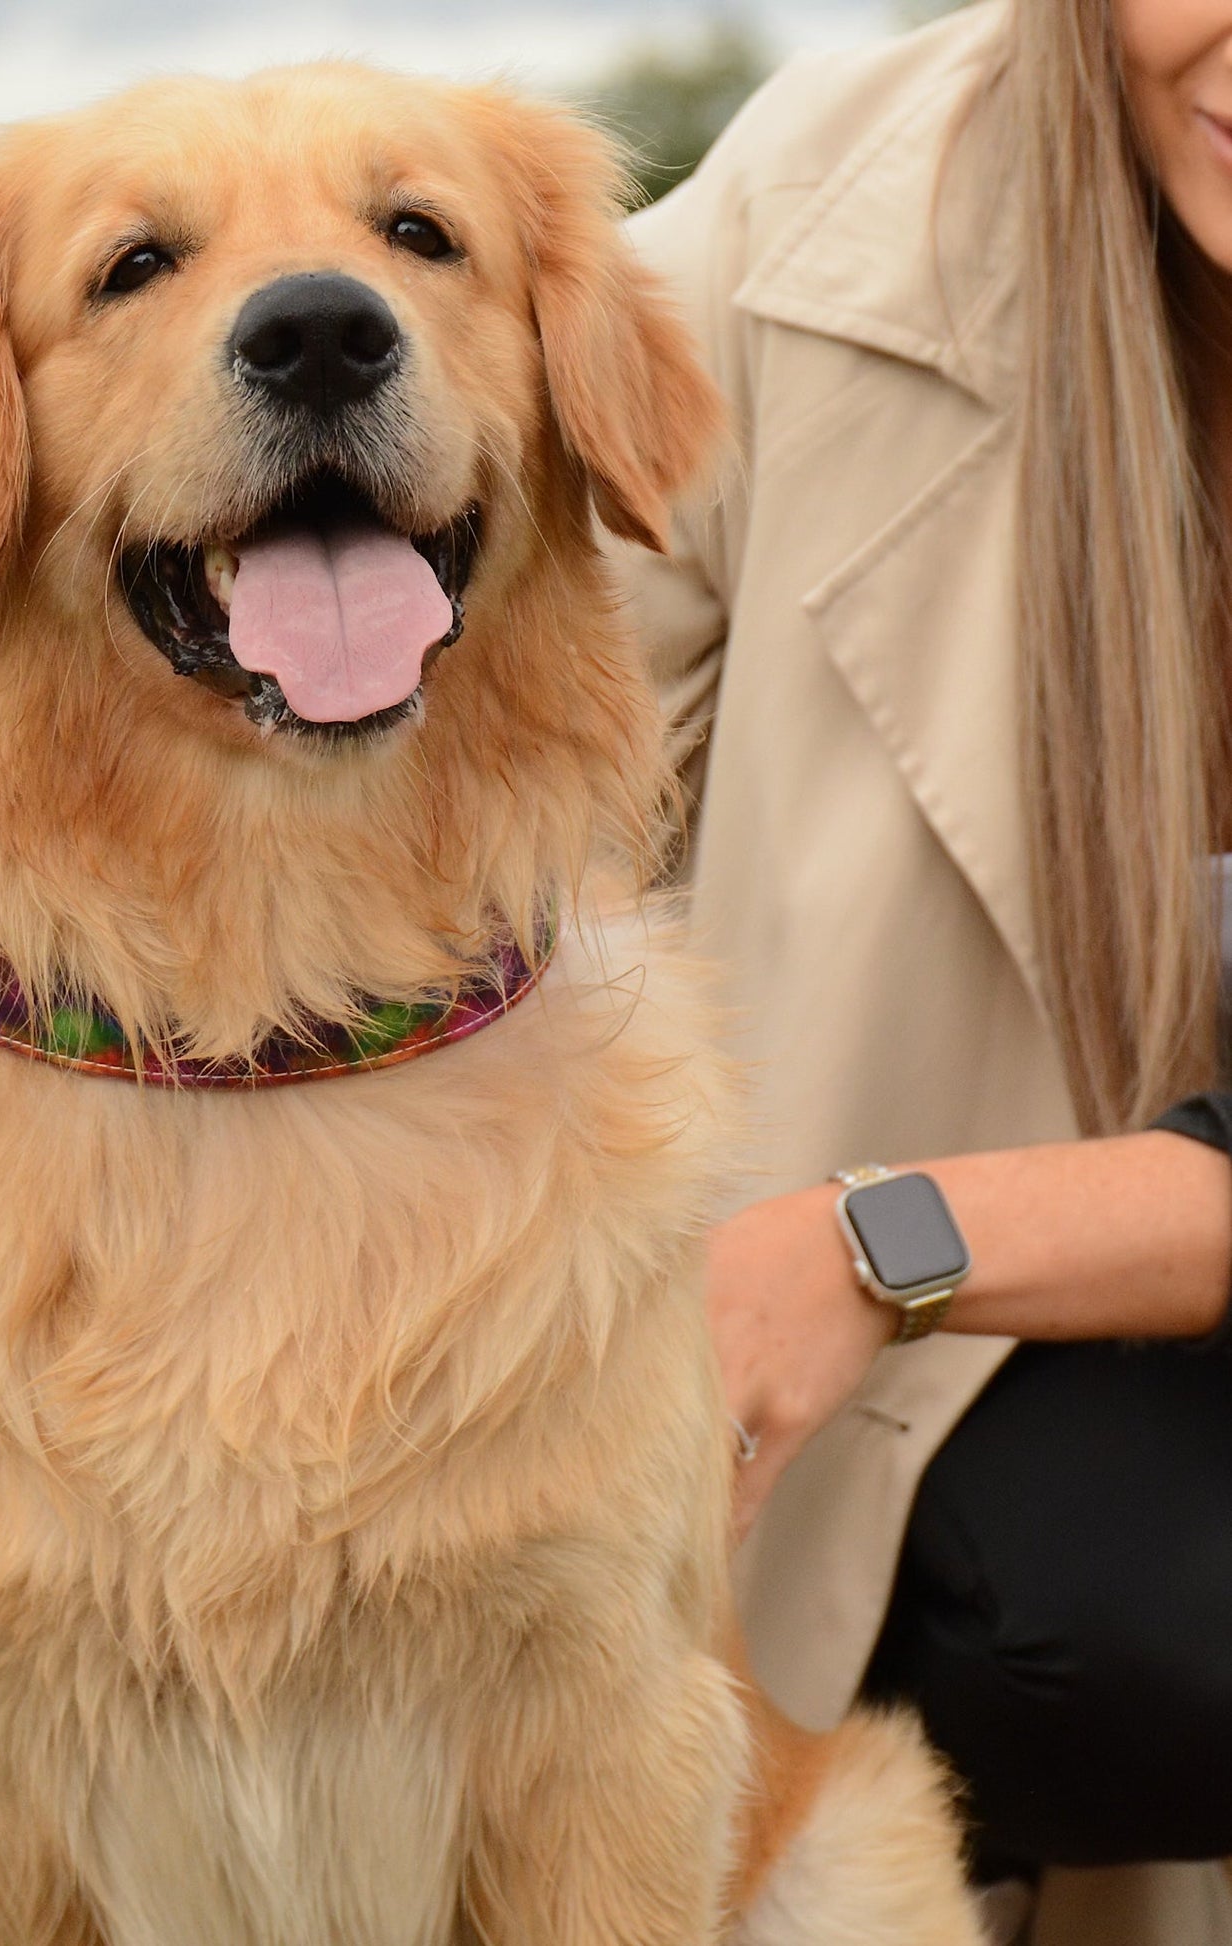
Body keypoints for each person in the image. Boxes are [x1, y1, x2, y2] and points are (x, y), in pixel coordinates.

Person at [615, 4, 1232, 1942]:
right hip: (952, 1447)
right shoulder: (804, 239)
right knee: (1150, 1624)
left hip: (961, 1267)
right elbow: (433, 804)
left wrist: (874, 1239)